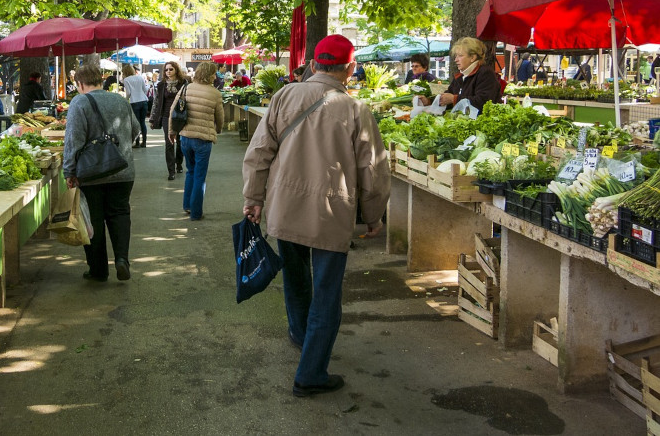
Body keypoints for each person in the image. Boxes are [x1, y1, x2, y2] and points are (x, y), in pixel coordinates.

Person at [242, 34, 391, 397]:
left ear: (312, 65)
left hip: (285, 206)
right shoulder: (356, 110)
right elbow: (373, 170)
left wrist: (254, 197)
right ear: (351, 69)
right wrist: (373, 217)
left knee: (295, 279)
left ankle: (300, 334)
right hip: (330, 212)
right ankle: (310, 373)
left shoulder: (284, 96)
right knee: (327, 293)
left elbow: (259, 151)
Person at [63, 64, 140, 282]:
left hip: (92, 173)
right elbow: (135, 129)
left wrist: (69, 170)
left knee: (93, 220)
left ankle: (98, 270)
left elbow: (73, 140)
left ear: (79, 83)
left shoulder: (79, 102)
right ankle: (122, 260)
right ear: (100, 79)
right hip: (123, 169)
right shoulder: (120, 100)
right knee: (120, 214)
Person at [169, 61, 223, 221]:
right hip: (203, 140)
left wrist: (172, 131)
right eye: (214, 73)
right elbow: (220, 118)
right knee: (200, 175)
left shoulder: (186, 88)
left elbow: (174, 109)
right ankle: (196, 212)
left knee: (190, 172)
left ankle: (187, 205)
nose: (215, 76)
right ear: (209, 75)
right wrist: (217, 130)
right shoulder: (215, 93)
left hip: (185, 137)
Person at [420, 37, 502, 115]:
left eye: (460, 56)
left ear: (472, 57)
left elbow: (483, 102)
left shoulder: (485, 74)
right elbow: (448, 96)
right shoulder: (461, 76)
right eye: (456, 56)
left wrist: (454, 99)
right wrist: (429, 101)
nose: (456, 60)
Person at [149, 61, 189, 180]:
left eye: (171, 69)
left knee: (180, 142)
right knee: (169, 143)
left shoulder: (184, 83)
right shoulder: (161, 85)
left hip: (180, 116)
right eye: (166, 70)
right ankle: (171, 171)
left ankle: (179, 163)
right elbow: (156, 102)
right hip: (166, 116)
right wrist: (153, 118)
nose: (168, 72)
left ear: (176, 70)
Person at [122, 64, 149, 148]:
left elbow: (128, 93)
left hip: (134, 102)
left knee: (136, 123)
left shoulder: (126, 80)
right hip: (144, 101)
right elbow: (145, 89)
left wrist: (126, 100)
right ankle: (144, 142)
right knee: (142, 122)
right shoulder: (140, 77)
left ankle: (137, 142)